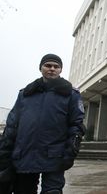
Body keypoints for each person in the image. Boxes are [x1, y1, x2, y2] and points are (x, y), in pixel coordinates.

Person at [0, 54, 86, 194]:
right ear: (41, 68)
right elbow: (12, 125)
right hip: (24, 155)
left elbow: (77, 125)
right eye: (48, 65)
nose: (52, 69)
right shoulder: (25, 94)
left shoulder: (71, 94)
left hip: (55, 156)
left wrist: (70, 151)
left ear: (60, 70)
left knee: (52, 191)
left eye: (56, 66)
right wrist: (4, 152)